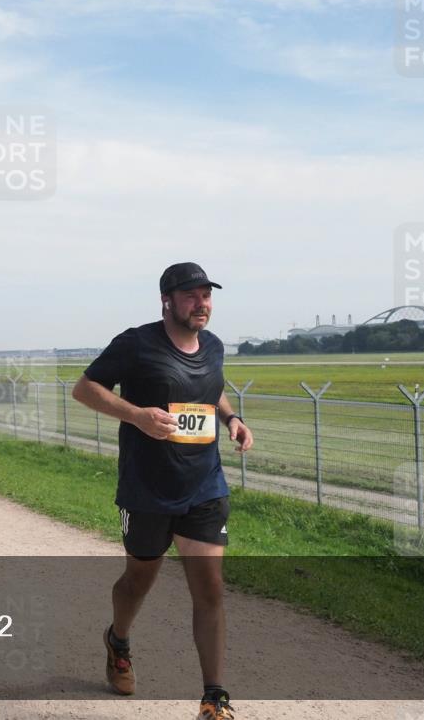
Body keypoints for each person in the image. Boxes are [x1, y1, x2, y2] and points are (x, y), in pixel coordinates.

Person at [72, 262, 254, 720]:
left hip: (204, 486)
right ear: (167, 300)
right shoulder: (137, 343)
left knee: (210, 587)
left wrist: (231, 419)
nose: (202, 303)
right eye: (191, 295)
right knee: (139, 580)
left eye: (207, 295)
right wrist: (136, 415)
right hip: (147, 489)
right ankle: (119, 640)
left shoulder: (213, 346)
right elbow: (85, 388)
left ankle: (214, 698)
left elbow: (212, 392)